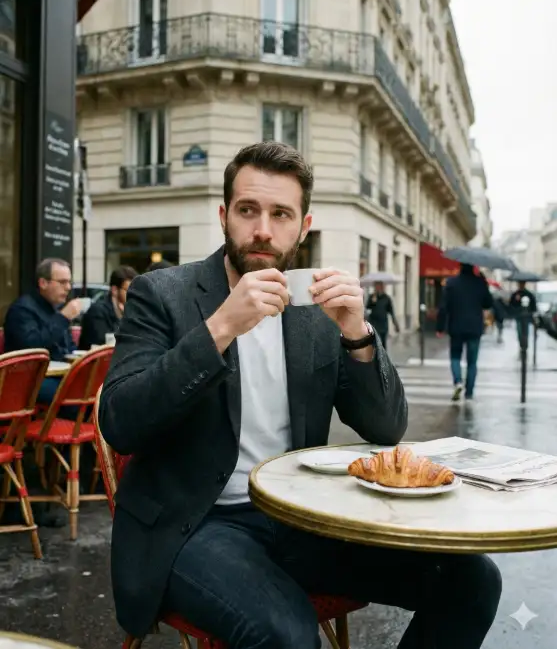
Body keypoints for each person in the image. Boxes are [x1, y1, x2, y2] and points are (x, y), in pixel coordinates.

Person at [100, 141, 501, 649]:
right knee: (286, 634)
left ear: (303, 226)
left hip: (300, 517)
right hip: (196, 524)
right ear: (225, 216)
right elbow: (121, 420)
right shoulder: (162, 294)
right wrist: (219, 328)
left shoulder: (314, 308)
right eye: (248, 210)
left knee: (472, 580)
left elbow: (385, 428)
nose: (263, 228)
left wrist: (357, 335)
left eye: (280, 214)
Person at [4, 258, 83, 404]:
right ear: (43, 283)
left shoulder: (56, 308)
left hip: (56, 375)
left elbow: (69, 347)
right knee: (76, 396)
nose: (68, 288)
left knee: (96, 386)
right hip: (26, 379)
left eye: (69, 282)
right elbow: (33, 347)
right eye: (62, 282)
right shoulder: (22, 310)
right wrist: (63, 318)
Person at [436, 263, 493, 402]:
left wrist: (440, 327)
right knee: (472, 362)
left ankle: (457, 382)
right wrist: (484, 281)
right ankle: (469, 392)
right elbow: (488, 303)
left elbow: (444, 307)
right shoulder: (479, 283)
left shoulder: (451, 283)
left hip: (456, 327)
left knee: (455, 357)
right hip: (474, 328)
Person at [78, 265, 137, 349]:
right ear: (114, 290)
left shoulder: (133, 311)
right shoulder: (97, 311)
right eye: (129, 290)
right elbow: (104, 344)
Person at [365, 282, 400, 351]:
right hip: (373, 323)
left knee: (383, 343)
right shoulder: (372, 297)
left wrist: (395, 324)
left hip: (383, 324)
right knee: (373, 342)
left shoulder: (387, 298)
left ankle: (383, 359)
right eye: (377, 286)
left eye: (380, 286)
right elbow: (367, 307)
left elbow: (391, 312)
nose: (378, 288)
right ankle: (374, 359)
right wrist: (372, 302)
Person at [508, 281, 537, 348]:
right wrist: (516, 300)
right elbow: (511, 305)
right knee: (519, 331)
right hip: (518, 316)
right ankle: (522, 345)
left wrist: (531, 313)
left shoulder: (529, 294)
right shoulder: (515, 294)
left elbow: (533, 306)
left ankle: (524, 346)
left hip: (526, 316)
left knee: (525, 332)